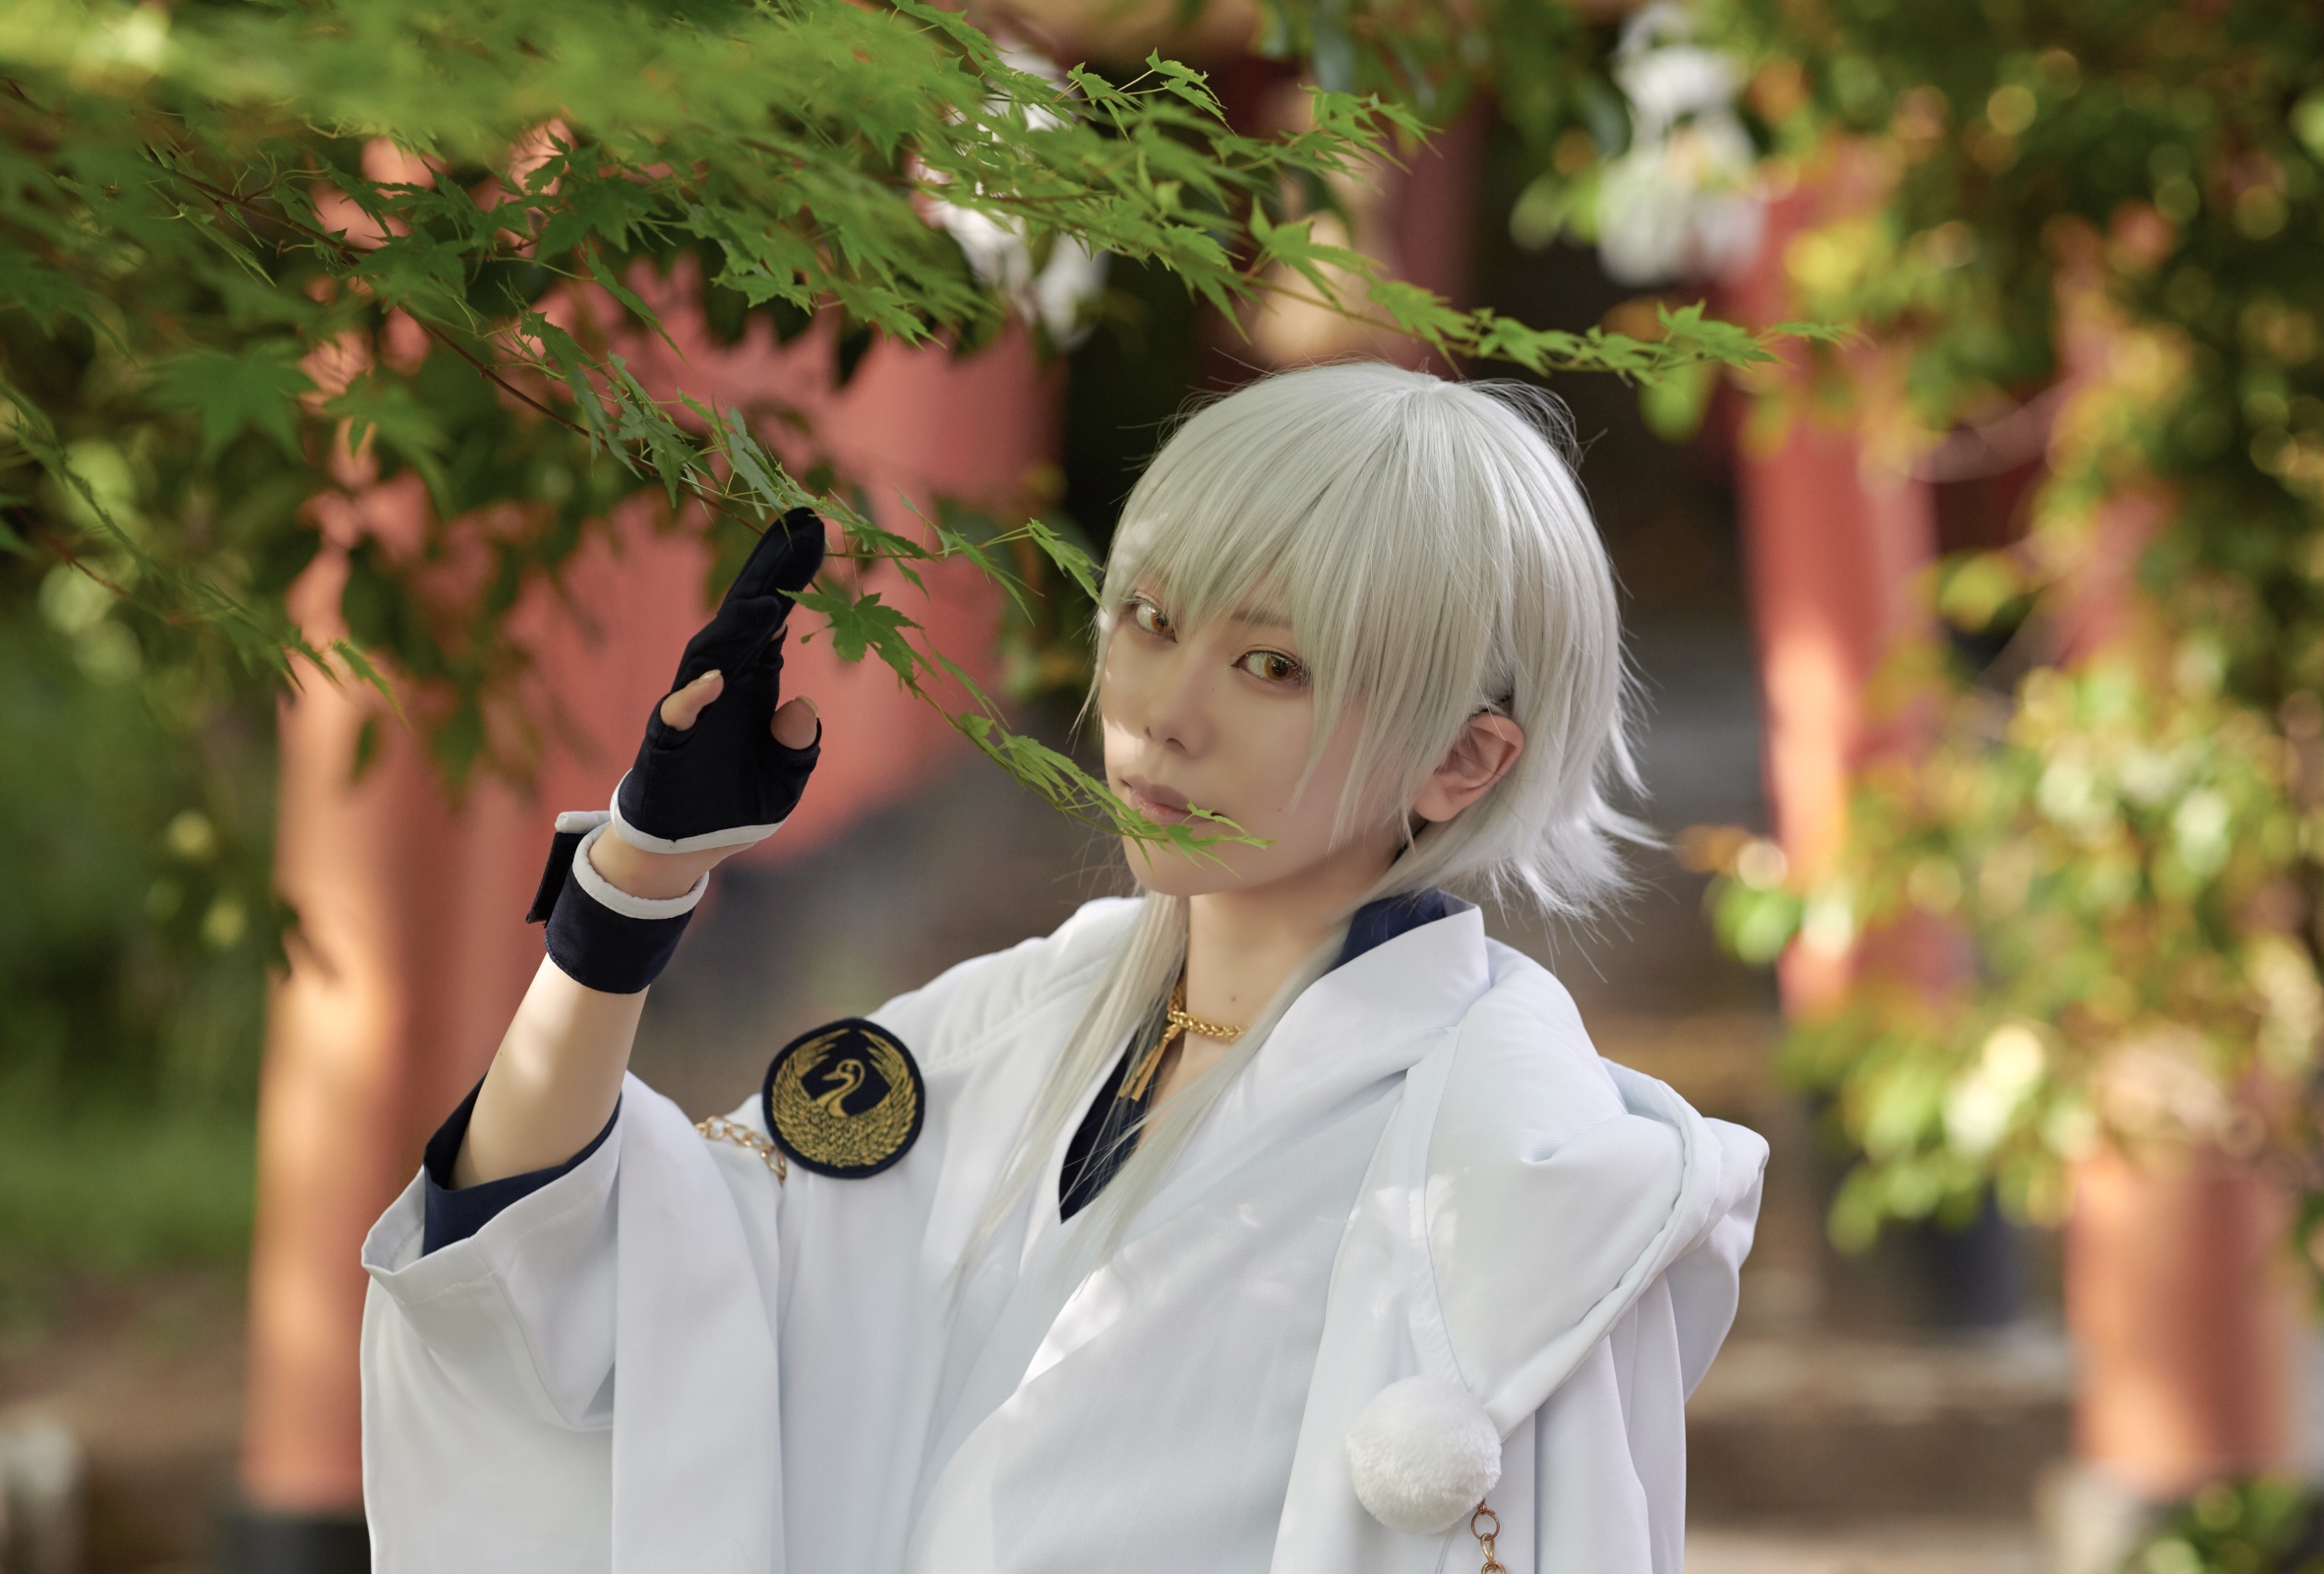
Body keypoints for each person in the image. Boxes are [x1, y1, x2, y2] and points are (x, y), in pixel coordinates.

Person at [358, 360, 1768, 1574]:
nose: (1163, 714)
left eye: (1273, 666)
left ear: (1462, 759)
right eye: (1152, 619)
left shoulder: (1521, 1199)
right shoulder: (1005, 1032)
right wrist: (634, 889)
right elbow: (575, 1287)